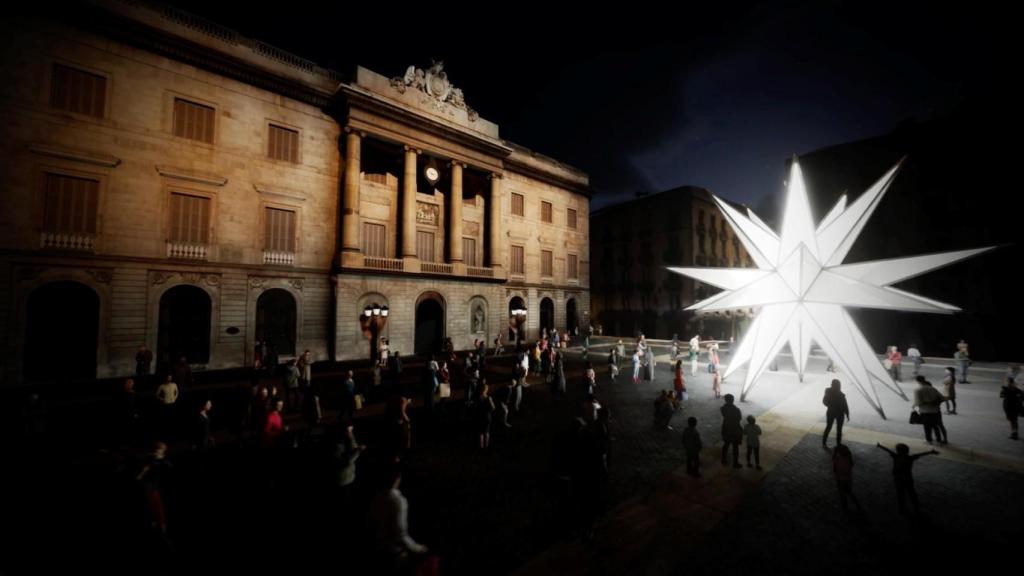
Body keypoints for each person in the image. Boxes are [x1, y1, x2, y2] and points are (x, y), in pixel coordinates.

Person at [371, 465, 429, 572]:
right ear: (397, 478)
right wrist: (419, 549)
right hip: (393, 553)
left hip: (377, 548)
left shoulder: (376, 497)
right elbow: (400, 534)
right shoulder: (398, 501)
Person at [876, 442, 938, 515]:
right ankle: (916, 505)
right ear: (907, 451)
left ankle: (902, 508)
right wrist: (931, 452)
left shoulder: (896, 456)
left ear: (898, 451)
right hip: (908, 478)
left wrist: (880, 446)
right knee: (911, 492)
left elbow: (888, 450)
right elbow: (921, 454)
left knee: (901, 493)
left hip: (898, 479)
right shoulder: (910, 458)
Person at [913, 375, 947, 444]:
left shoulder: (917, 390)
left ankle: (929, 440)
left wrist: (913, 405)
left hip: (925, 411)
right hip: (936, 411)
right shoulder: (932, 388)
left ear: (917, 381)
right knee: (935, 426)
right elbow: (943, 398)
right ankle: (939, 440)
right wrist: (935, 402)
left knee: (927, 427)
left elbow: (918, 402)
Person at [832, 444, 861, 513]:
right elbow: (851, 466)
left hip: (840, 479)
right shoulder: (849, 459)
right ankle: (857, 504)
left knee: (842, 494)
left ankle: (845, 508)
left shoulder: (837, 459)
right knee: (849, 492)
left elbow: (835, 470)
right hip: (848, 479)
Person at [822, 379, 850, 447]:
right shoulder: (840, 394)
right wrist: (847, 414)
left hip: (832, 412)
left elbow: (824, 402)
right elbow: (845, 405)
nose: (840, 387)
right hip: (838, 413)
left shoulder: (829, 392)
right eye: (839, 385)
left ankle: (825, 442)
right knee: (838, 429)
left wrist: (830, 405)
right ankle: (838, 443)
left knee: (830, 427)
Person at [720, 394, 743, 468]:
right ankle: (735, 463)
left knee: (726, 444)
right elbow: (739, 419)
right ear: (732, 400)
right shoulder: (736, 410)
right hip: (734, 429)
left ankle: (723, 459)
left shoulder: (723, 408)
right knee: (735, 447)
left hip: (726, 428)